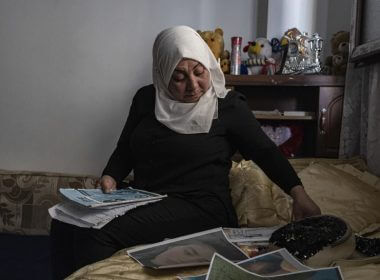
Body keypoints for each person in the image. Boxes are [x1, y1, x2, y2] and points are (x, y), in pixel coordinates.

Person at [50, 25, 321, 279]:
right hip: (145, 197)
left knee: (97, 234)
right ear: (162, 73)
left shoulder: (228, 106)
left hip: (201, 206)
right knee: (66, 221)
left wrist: (298, 193)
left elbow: (265, 151)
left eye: (199, 72)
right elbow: (125, 148)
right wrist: (110, 176)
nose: (192, 85)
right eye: (178, 77)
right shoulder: (146, 99)